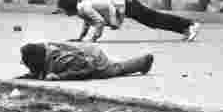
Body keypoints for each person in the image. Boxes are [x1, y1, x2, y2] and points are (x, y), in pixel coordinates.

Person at [54, 0, 200, 42]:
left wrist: (94, 38)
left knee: (154, 18)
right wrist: (81, 38)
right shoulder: (81, 9)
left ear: (69, 8)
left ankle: (190, 24)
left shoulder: (84, 7)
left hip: (127, 4)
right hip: (126, 6)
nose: (63, 14)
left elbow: (99, 20)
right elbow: (87, 22)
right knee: (153, 21)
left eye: (62, 11)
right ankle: (185, 29)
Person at [17, 41, 154, 81]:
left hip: (91, 57)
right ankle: (141, 62)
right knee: (113, 66)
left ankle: (142, 62)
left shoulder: (60, 60)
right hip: (85, 51)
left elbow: (86, 69)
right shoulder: (44, 50)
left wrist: (59, 77)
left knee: (110, 71)